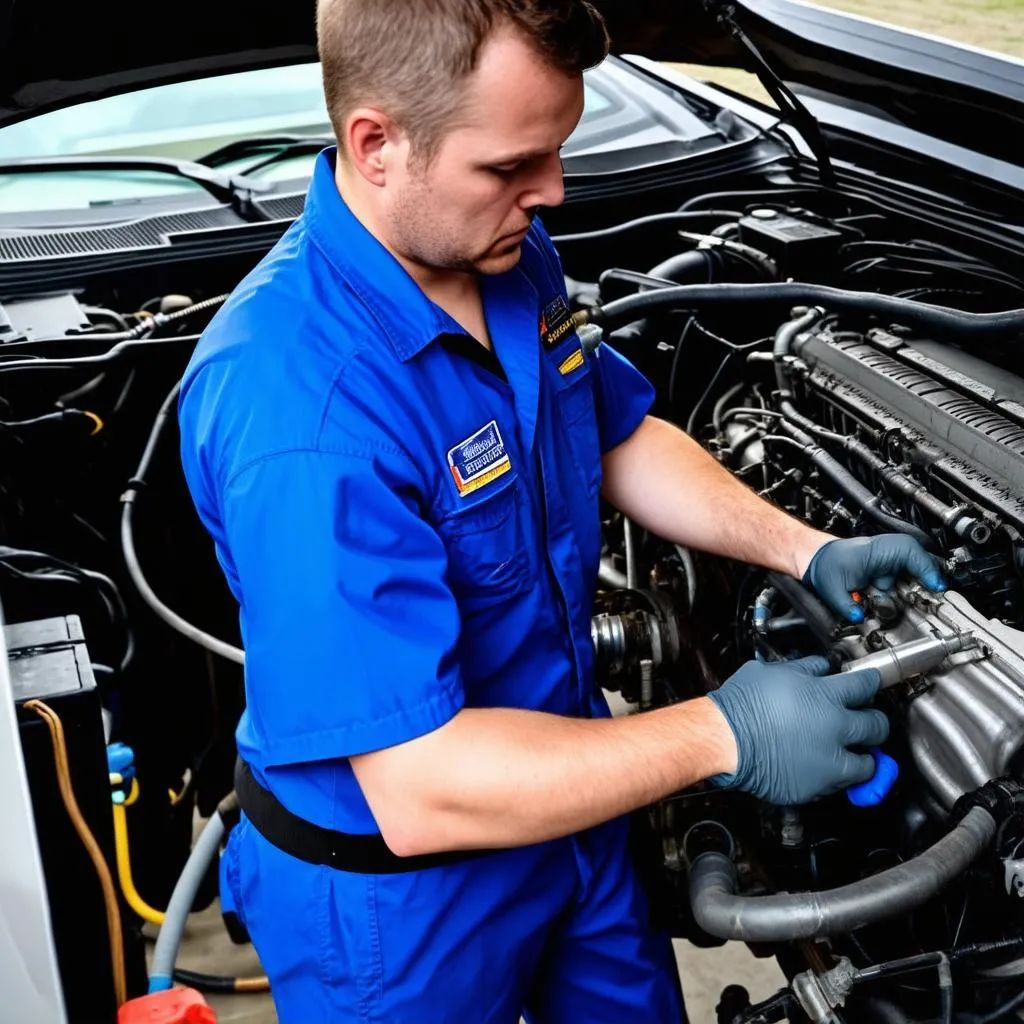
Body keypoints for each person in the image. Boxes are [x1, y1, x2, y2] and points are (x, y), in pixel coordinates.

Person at [177, 1, 947, 1021]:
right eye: (511, 165)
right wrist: (724, 733)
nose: (552, 190)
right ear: (376, 145)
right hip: (406, 906)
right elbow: (422, 784)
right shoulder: (302, 416)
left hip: (573, 804)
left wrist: (802, 547)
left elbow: (613, 432)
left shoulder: (500, 250)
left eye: (556, 150)